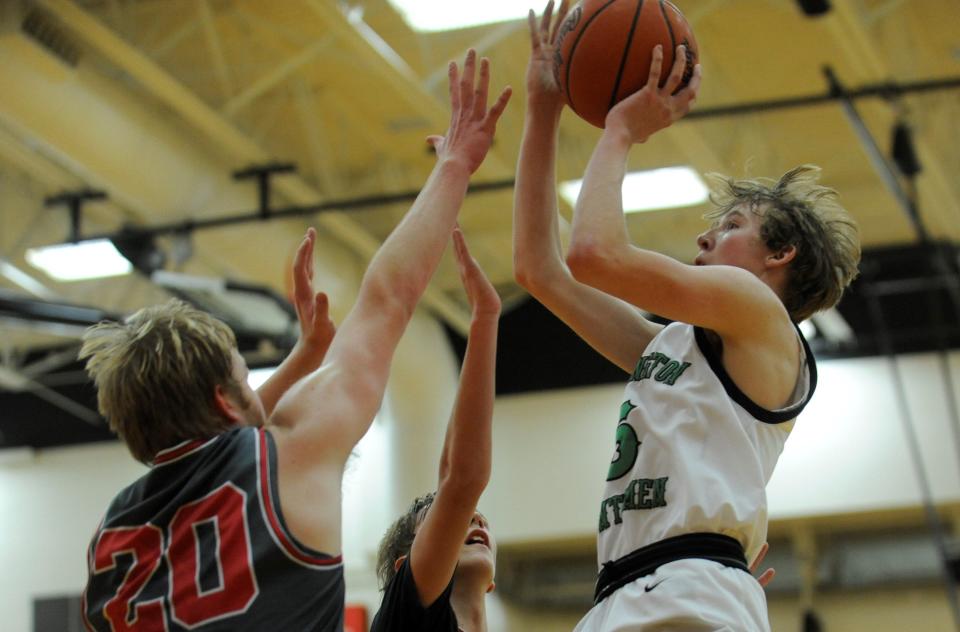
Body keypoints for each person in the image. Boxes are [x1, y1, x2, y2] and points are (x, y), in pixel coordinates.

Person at [80, 49, 511, 632]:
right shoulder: (287, 456)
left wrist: (306, 354)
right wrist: (455, 164)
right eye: (245, 375)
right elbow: (388, 299)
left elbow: (230, 430)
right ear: (224, 400)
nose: (265, 390)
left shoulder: (111, 538)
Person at [513, 2, 860, 630]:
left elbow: (593, 254)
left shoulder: (759, 313)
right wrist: (542, 110)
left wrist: (620, 132)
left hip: (687, 592)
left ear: (781, 255)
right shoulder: (670, 347)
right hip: (622, 594)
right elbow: (540, 271)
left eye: (729, 226)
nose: (704, 240)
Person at [371, 228, 499, 632]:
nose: (475, 521)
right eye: (449, 518)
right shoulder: (410, 615)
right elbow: (458, 479)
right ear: (404, 569)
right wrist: (484, 319)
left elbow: (455, 478)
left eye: (478, 520)